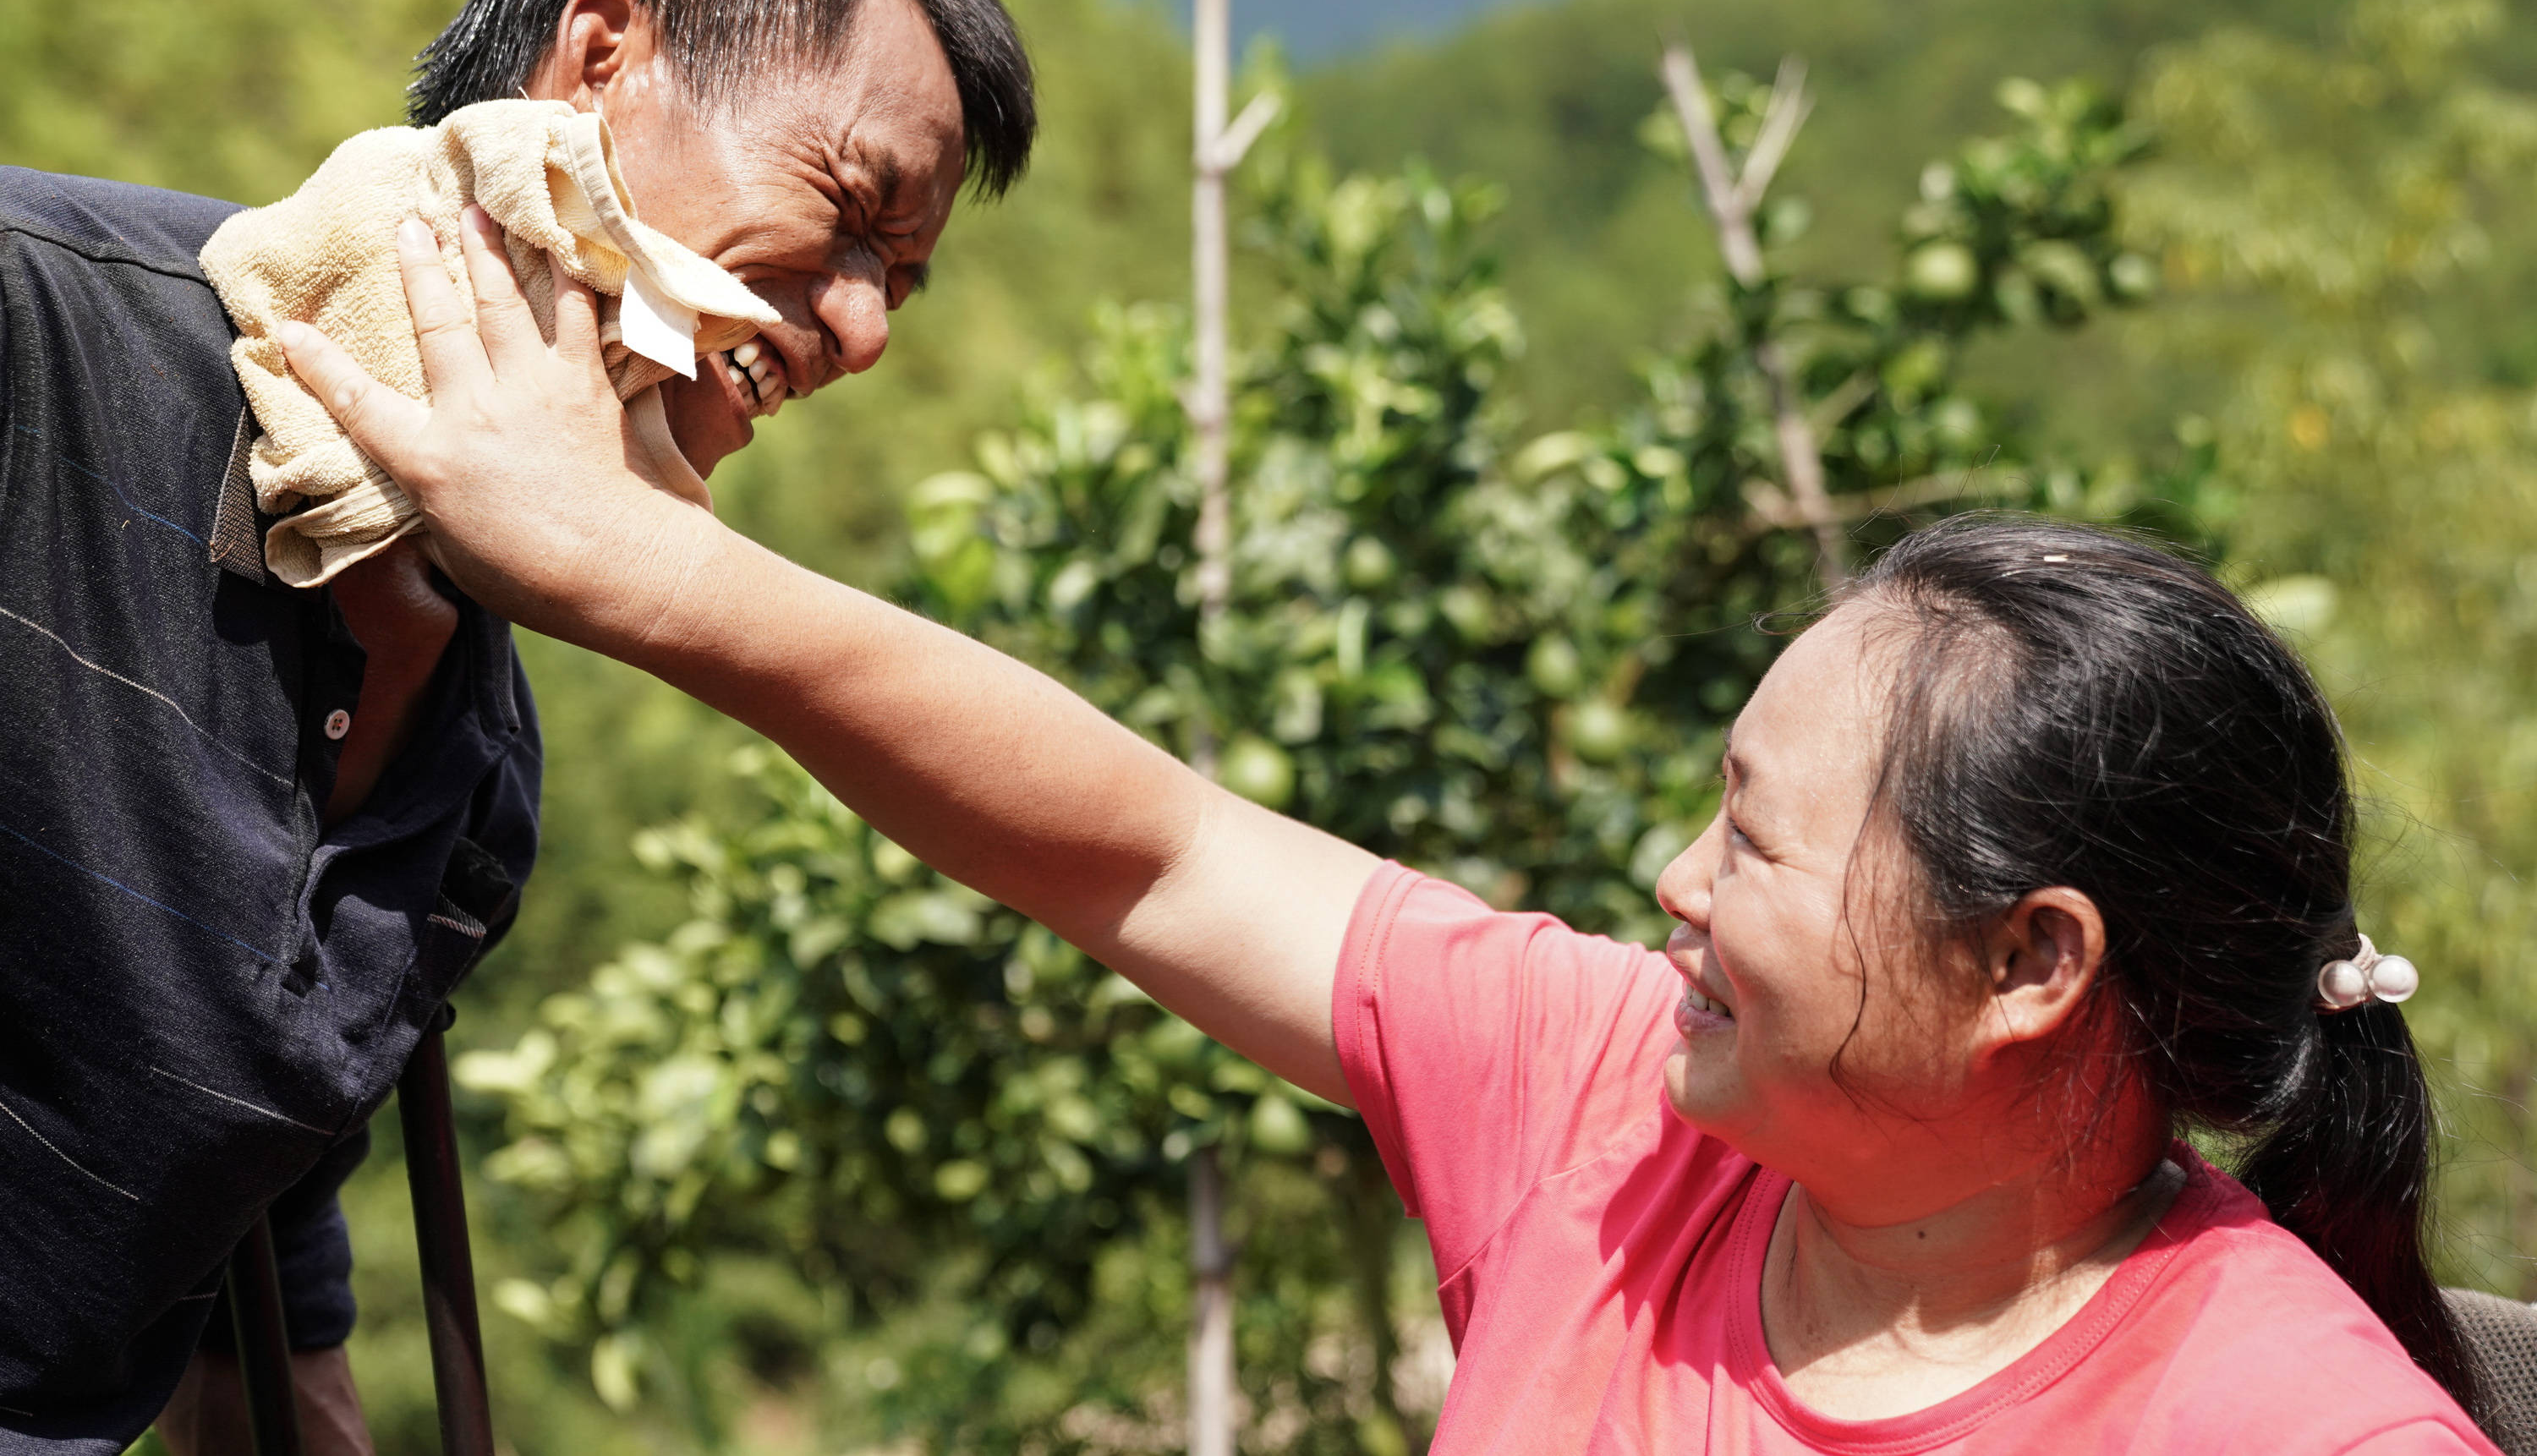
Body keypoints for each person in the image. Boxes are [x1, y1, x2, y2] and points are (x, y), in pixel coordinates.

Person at [283, 210, 2505, 1453]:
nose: (1674, 887)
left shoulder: (2286, 1424)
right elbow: (1145, 846)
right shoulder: (1629, 1107)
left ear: (2033, 958)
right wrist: (633, 566)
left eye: (1752, 839)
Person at [0, 0, 1031, 1449]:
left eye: (900, 282)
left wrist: (286, 1368)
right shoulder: (39, 340)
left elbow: (264, 1172)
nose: (867, 333)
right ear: (601, 61)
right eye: (850, 215)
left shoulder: (478, 770)